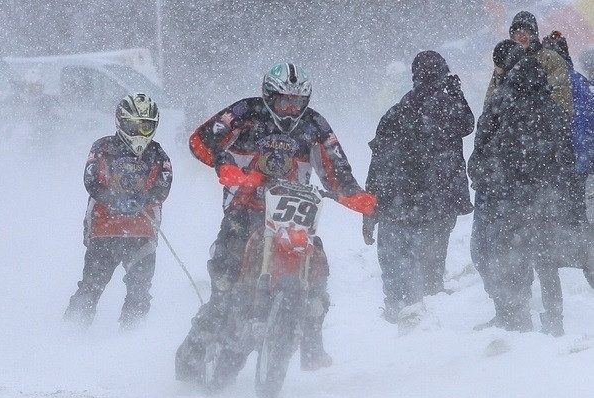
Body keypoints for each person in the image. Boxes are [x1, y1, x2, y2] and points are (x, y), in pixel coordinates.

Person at [175, 63, 376, 380]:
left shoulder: (315, 125)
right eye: (284, 101)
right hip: (245, 204)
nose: (290, 109)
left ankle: (312, 341)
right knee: (226, 286)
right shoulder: (246, 111)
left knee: (317, 259)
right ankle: (200, 339)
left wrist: (361, 199)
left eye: (297, 103)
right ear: (269, 95)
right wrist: (223, 162)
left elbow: (338, 169)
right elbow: (201, 140)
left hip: (293, 212)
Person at [362, 51, 474, 330]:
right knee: (434, 248)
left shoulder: (399, 110)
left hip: (404, 196)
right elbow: (467, 126)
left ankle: (399, 304)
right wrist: (457, 94)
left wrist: (370, 208)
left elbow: (378, 163)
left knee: (403, 253)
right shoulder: (448, 105)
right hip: (441, 193)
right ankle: (430, 297)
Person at [469, 57, 574, 336]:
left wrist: (487, 179)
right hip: (546, 197)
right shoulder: (552, 109)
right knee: (547, 262)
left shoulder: (502, 104)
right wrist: (559, 191)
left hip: (511, 198)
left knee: (513, 257)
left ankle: (516, 319)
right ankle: (554, 319)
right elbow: (566, 157)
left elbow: (482, 148)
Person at [63, 93, 173, 330]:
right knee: (91, 286)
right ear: (121, 121)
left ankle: (130, 340)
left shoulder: (157, 153)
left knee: (140, 290)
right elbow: (91, 181)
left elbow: (164, 185)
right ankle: (69, 333)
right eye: (134, 125)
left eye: (146, 127)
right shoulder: (102, 147)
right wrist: (113, 199)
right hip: (104, 230)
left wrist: (143, 199)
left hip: (142, 234)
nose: (139, 133)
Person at [469, 39, 524, 330]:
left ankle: (512, 312)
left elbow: (492, 139)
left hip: (501, 186)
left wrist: (480, 167)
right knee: (493, 250)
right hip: (498, 184)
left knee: (492, 250)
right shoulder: (509, 93)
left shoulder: (511, 96)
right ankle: (509, 310)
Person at [543, 31, 594, 289]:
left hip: (555, 166)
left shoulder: (544, 86)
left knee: (557, 220)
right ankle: (586, 268)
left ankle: (567, 267)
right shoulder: (584, 85)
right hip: (583, 167)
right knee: (581, 219)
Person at [483, 11, 573, 117]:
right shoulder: (507, 61)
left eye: (527, 31)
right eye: (517, 31)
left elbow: (561, 98)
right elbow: (490, 102)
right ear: (512, 35)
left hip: (542, 124)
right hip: (509, 125)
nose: (522, 35)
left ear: (534, 33)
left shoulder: (550, 59)